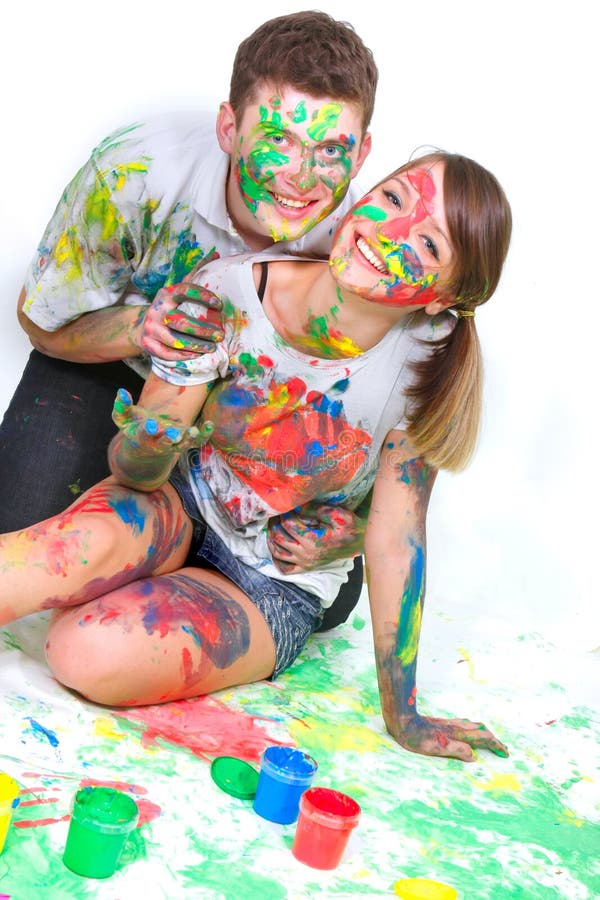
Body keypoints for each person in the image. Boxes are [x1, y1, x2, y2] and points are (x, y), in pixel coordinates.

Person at [0, 151, 512, 761]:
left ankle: (147, 599)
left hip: (275, 583)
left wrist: (405, 715)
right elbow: (133, 472)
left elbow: (396, 537)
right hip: (173, 508)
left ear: (442, 297)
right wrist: (146, 442)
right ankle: (140, 570)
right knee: (31, 568)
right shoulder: (228, 291)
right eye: (395, 199)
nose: (390, 232)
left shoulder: (424, 368)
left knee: (81, 653)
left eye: (428, 244)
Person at [0, 11, 378, 629]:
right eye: (278, 138)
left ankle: (189, 550)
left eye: (330, 149)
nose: (300, 176)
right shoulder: (132, 175)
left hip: (245, 412)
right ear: (229, 127)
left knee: (331, 598)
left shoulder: (363, 241)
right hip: (114, 366)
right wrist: (140, 328)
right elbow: (39, 322)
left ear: (362, 152)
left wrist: (345, 527)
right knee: (20, 517)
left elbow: (373, 400)